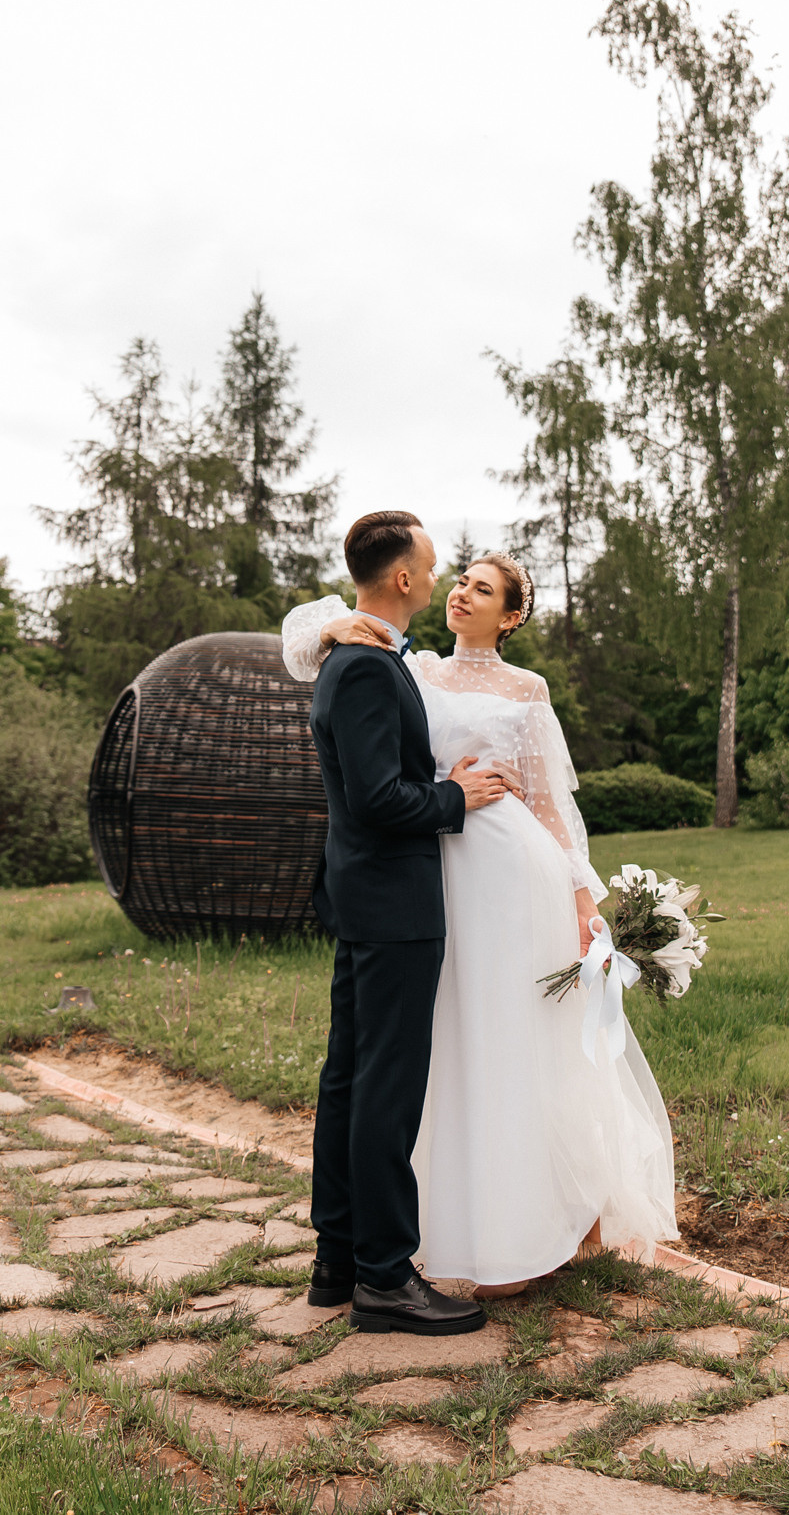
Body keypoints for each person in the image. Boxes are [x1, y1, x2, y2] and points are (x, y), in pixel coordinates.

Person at [286, 531, 679, 1301]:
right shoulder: (408, 664)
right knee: (417, 1056)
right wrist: (328, 625)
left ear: (508, 619)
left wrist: (581, 897)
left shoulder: (526, 691)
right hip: (429, 860)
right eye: (455, 578)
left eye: (482, 589)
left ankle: (517, 1221)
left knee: (499, 1040)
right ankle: (412, 1235)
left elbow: (549, 807)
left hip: (504, 870)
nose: (460, 590)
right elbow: (306, 647)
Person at [302, 511, 511, 1337]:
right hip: (392, 905)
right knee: (384, 1090)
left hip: (367, 900)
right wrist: (458, 797)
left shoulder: (355, 655)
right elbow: (380, 800)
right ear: (403, 579)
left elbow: (381, 776)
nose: (436, 578)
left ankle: (340, 1262)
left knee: (351, 1081)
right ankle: (386, 1278)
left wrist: (435, 777)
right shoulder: (360, 666)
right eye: (430, 566)